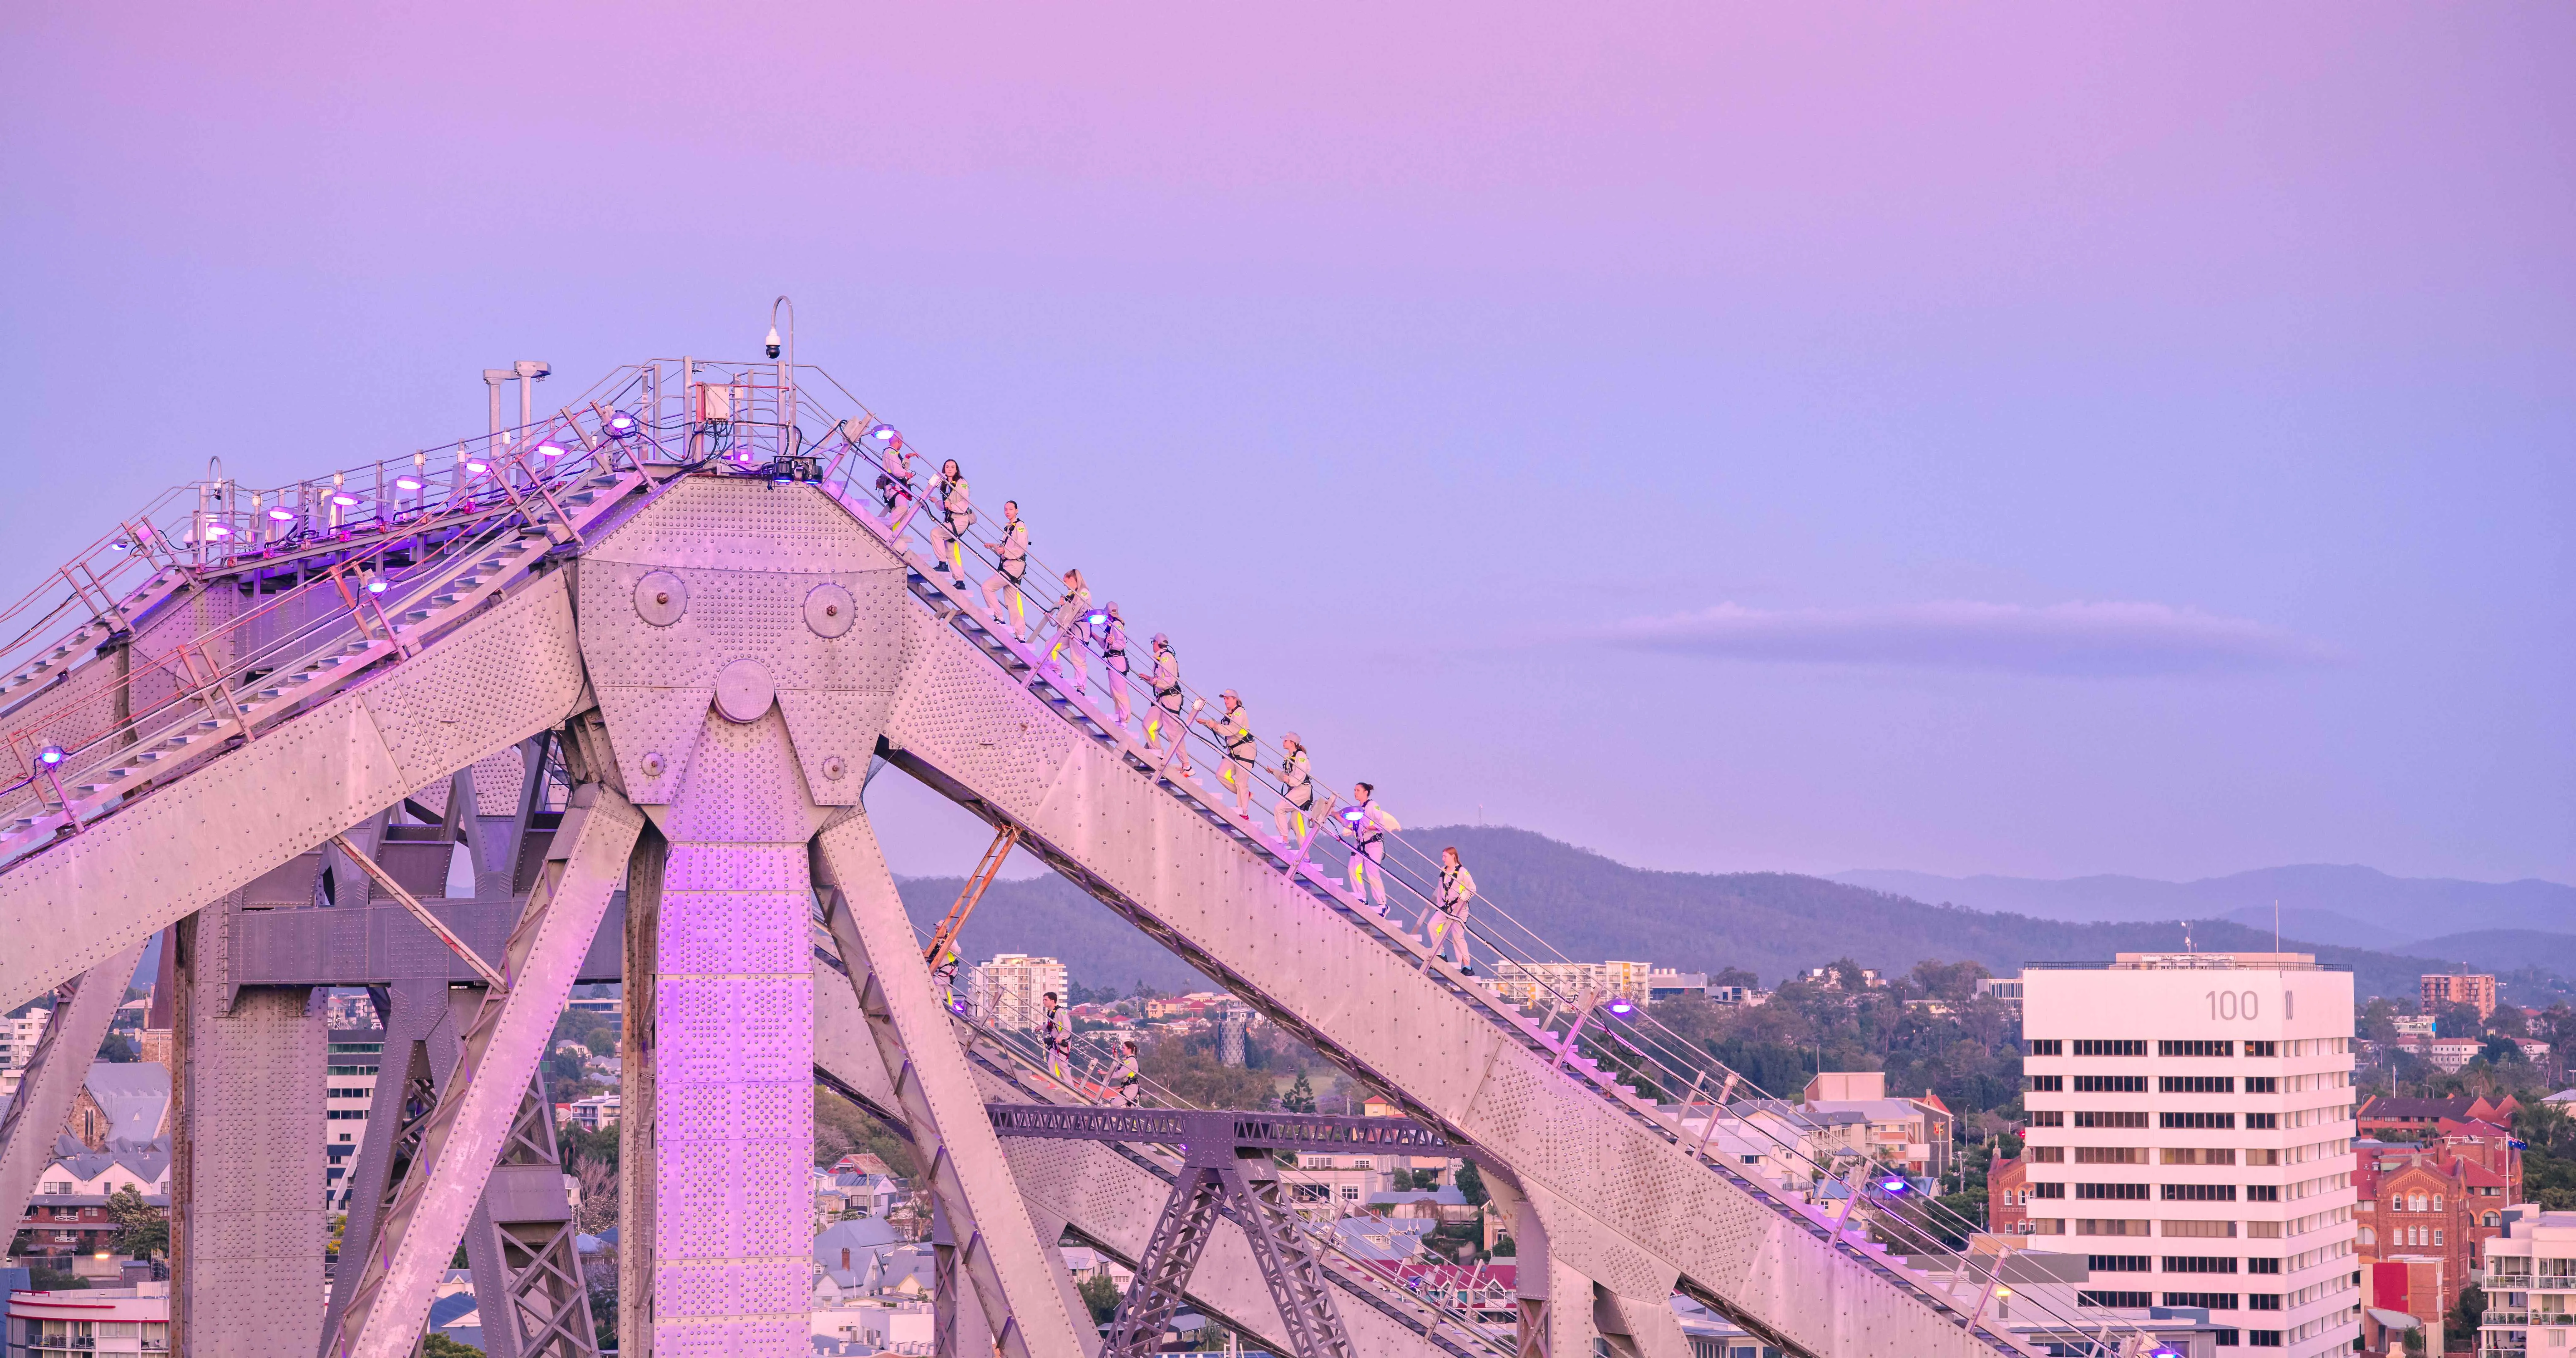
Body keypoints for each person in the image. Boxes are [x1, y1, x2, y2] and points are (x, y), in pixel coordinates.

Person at [1197, 690, 1257, 818]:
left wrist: (1215, 726)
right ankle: (1245, 796)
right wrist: (1207, 723)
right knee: (1221, 775)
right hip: (1234, 751)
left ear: (1235, 699)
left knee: (1242, 782)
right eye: (1224, 699)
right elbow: (1222, 727)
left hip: (1246, 750)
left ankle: (1244, 813)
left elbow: (1232, 730)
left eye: (1228, 699)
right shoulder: (1228, 714)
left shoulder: (1240, 712)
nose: (1226, 701)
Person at [1341, 782, 1399, 914]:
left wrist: (1369, 828)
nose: (1355, 793)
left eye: (1358, 790)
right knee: (1353, 869)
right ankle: (1361, 897)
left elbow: (1381, 825)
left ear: (1365, 792)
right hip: (1360, 844)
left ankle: (1383, 905)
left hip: (1373, 844)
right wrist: (1336, 814)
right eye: (1355, 790)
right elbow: (1349, 824)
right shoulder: (1357, 809)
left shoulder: (1373, 806)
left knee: (1373, 873)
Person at [979, 500, 1032, 640]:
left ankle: (999, 617)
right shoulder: (1010, 528)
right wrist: (994, 546)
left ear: (1017, 511)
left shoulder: (1019, 527)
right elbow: (1006, 546)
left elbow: (1020, 549)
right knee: (1012, 601)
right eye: (1005, 510)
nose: (1007, 512)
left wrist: (1005, 552)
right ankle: (1020, 634)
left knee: (987, 587)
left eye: (1010, 509)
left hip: (1014, 566)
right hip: (1010, 565)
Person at [1036, 568, 1092, 694]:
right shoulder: (1072, 594)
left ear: (1073, 580)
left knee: (1078, 660)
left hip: (1080, 634)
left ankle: (1081, 687)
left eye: (1066, 582)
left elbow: (1078, 610)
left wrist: (1066, 616)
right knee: (1051, 644)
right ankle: (1057, 670)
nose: (1065, 586)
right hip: (1069, 631)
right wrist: (1064, 604)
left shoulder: (1084, 593)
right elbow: (1067, 612)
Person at [1145, 634, 1190, 776]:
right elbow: (1161, 680)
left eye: (1153, 642)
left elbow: (1170, 680)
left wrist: (1156, 682)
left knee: (1172, 733)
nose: (1152, 645)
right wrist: (1149, 679)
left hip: (1171, 697)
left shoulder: (1166, 657)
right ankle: (1158, 753)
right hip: (1162, 698)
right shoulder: (1160, 658)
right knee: (1148, 725)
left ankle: (1187, 765)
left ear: (1157, 643)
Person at [1429, 846, 1476, 974]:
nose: (1443, 859)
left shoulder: (1462, 872)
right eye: (1443, 856)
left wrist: (1462, 899)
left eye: (1445, 856)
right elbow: (1440, 890)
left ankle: (1467, 966)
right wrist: (1439, 906)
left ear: (1453, 857)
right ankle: (1441, 953)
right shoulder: (1442, 871)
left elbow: (1472, 889)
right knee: (1432, 926)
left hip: (1460, 910)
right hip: (1445, 908)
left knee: (1458, 937)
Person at [930, 459, 974, 581]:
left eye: (952, 467)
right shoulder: (946, 486)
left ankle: (943, 564)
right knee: (952, 552)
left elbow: (965, 502)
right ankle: (960, 581)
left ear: (956, 470)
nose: (949, 469)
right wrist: (936, 502)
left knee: (936, 533)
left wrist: (952, 507)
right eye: (947, 467)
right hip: (952, 519)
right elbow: (945, 506)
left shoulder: (962, 483)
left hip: (960, 519)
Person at [1093, 601, 1133, 731]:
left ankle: (1124, 720)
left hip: (1118, 661)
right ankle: (1120, 718)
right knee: (1115, 692)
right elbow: (1106, 645)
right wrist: (1094, 636)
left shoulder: (1117, 625)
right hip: (1112, 661)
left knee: (1121, 692)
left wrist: (1113, 642)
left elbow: (1121, 644)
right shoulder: (1111, 627)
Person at [1272, 732, 1316, 845]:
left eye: (1286, 741)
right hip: (1295, 790)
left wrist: (1290, 781)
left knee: (1280, 808)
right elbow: (1287, 775)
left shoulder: (1301, 756)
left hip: (1302, 790)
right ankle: (1306, 856)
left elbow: (1300, 775)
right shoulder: (1288, 757)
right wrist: (1274, 772)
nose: (1283, 742)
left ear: (1293, 743)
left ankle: (1284, 838)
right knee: (1297, 825)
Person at [872, 430, 919, 534]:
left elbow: (900, 467)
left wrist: (907, 458)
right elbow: (897, 471)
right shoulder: (891, 452)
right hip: (893, 487)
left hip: (894, 487)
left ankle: (891, 533)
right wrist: (906, 474)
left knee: (898, 513)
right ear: (900, 441)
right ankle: (880, 525)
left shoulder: (892, 453)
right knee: (903, 508)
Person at [1040, 991, 1070, 1080]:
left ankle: (1070, 1086)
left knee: (1062, 1065)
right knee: (1051, 1063)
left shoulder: (1060, 1012)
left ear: (1052, 1001)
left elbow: (1068, 1027)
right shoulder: (1051, 1013)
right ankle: (1057, 1083)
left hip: (1063, 1042)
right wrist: (1042, 1027)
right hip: (1055, 1042)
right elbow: (1051, 1027)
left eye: (1046, 1000)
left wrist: (1061, 1037)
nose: (1044, 1002)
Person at [1112, 1038, 1141, 1107]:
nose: (1122, 1049)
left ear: (1129, 1049)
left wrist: (1108, 1074)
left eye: (1124, 1048)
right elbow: (1121, 1068)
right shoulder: (1129, 1060)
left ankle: (1119, 1118)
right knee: (1130, 1111)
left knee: (1115, 1104)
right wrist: (1116, 1057)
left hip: (1131, 1089)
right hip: (1129, 1087)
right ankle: (1127, 1118)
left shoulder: (1131, 1060)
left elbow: (1120, 1074)